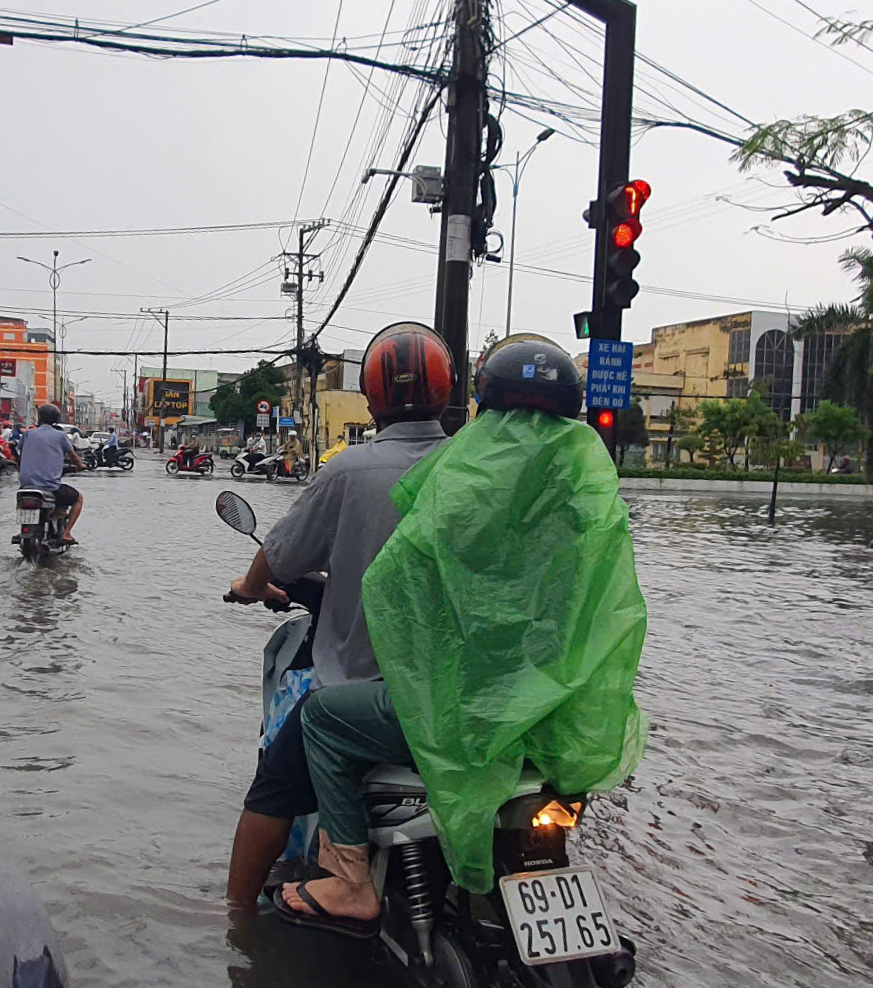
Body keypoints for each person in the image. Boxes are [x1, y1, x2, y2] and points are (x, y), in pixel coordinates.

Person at [270, 332, 648, 935]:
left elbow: (395, 594)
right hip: (553, 715)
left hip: (464, 709)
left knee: (321, 718)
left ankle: (348, 882)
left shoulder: (461, 475)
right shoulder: (589, 484)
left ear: (482, 403)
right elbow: (611, 609)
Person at [222, 322, 454, 908]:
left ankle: (236, 920)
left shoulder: (350, 470)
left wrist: (251, 587)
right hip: (472, 695)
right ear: (448, 391)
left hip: (373, 688)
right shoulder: (476, 468)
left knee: (270, 792)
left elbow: (277, 554)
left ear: (372, 399)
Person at [19, 403, 85, 544]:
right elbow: (73, 456)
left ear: (40, 417)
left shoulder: (27, 434)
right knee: (78, 498)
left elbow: (20, 451)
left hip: (25, 487)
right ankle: (66, 533)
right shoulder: (60, 436)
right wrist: (80, 465)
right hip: (50, 487)